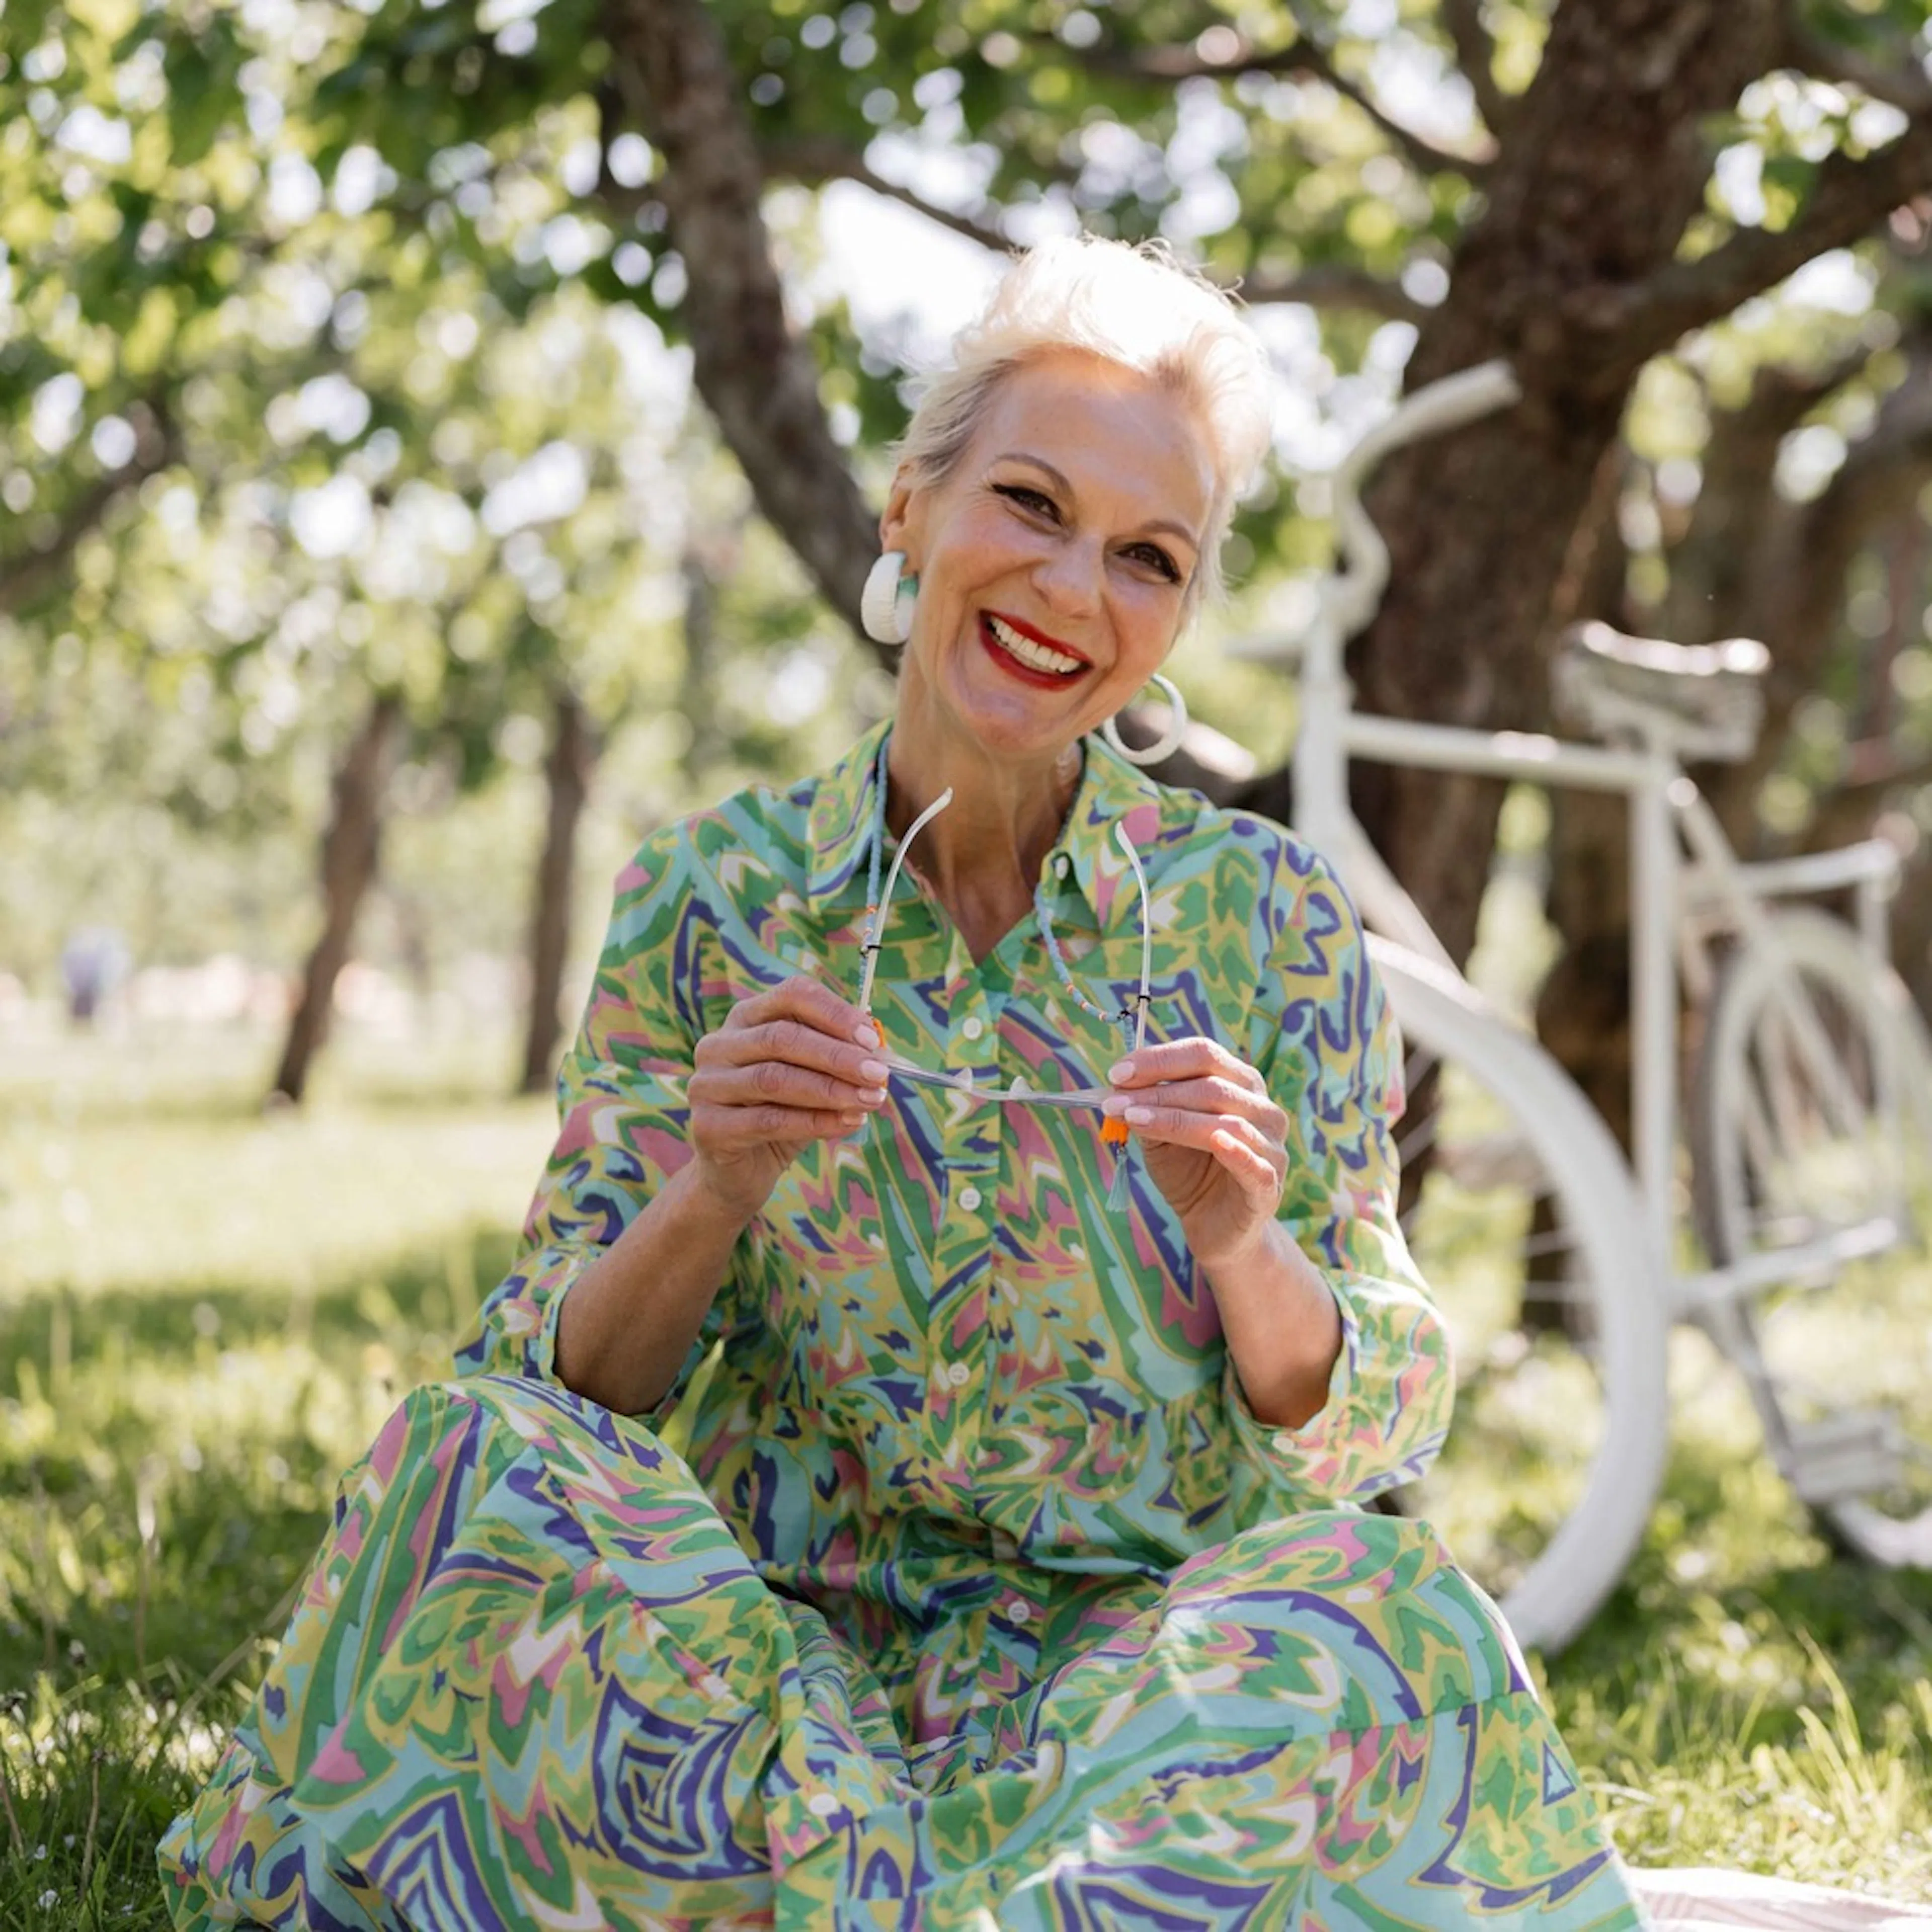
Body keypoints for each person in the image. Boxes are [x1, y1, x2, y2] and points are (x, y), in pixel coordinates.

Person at [159, 237, 1641, 1928]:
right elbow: (567, 1384)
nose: (1075, 591)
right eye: (1029, 504)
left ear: (1176, 617)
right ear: (909, 510)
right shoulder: (711, 895)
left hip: (1137, 1710)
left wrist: (1246, 1241)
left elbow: (1373, 1419)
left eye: (1146, 557)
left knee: (1376, 1615)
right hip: (749, 1691)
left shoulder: (1266, 916)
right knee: (464, 1462)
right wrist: (711, 1188)